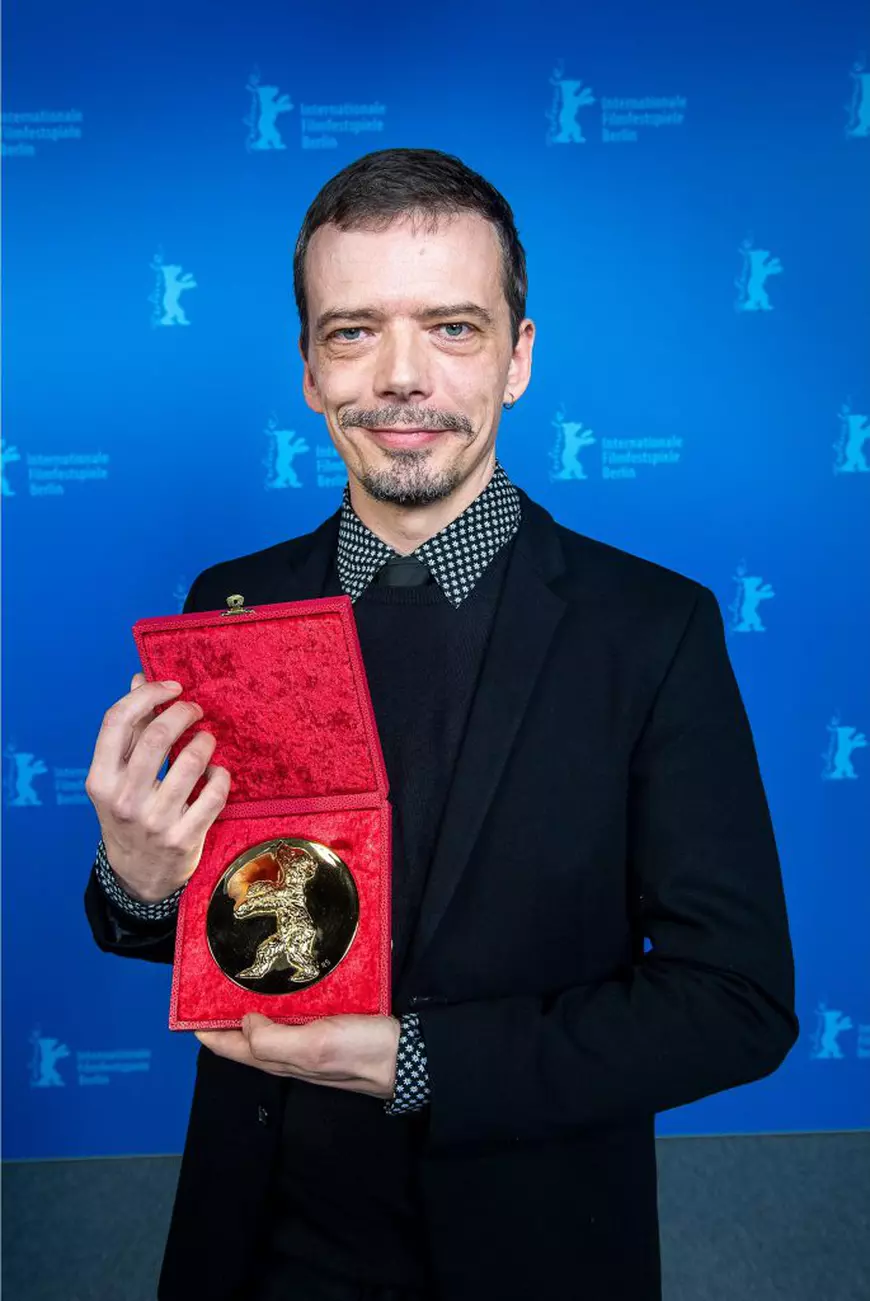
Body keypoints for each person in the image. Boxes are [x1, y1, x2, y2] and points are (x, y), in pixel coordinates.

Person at [84, 148, 799, 1301]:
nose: (402, 378)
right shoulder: (233, 599)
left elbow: (736, 1004)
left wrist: (417, 1060)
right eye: (354, 331)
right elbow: (215, 919)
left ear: (519, 357)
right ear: (310, 370)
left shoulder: (651, 629)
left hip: (533, 1244)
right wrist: (135, 877)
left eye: (454, 329)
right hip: (258, 1237)